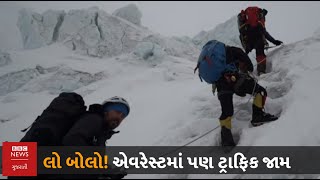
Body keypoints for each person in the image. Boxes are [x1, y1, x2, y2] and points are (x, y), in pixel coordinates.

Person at [17, 92, 130, 179]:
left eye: (123, 115)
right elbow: (72, 140)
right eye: (117, 111)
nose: (120, 116)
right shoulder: (94, 119)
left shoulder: (100, 133)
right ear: (106, 110)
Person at [194, 40, 278, 147]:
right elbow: (249, 65)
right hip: (235, 80)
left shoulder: (219, 62)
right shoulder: (234, 50)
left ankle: (226, 141)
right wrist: (248, 69)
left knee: (226, 112)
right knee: (260, 91)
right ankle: (258, 116)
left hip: (221, 85)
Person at [237, 6, 283, 75]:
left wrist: (246, 46)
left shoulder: (246, 21)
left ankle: (243, 71)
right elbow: (264, 32)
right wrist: (274, 41)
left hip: (248, 40)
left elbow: (241, 34)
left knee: (244, 55)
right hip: (258, 39)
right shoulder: (259, 18)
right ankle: (261, 71)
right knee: (260, 54)